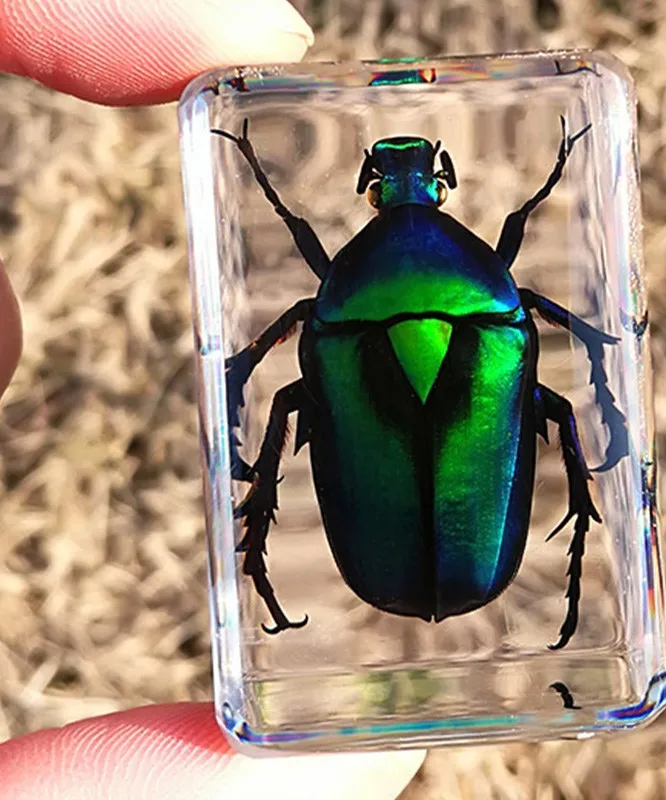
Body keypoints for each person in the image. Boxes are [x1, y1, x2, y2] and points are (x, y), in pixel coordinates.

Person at [0, 1, 425, 797]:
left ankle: (254, 549)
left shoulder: (333, 295)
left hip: (382, 539)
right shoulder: (491, 296)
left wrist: (243, 361)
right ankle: (255, 555)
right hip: (448, 543)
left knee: (289, 401)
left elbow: (292, 251)